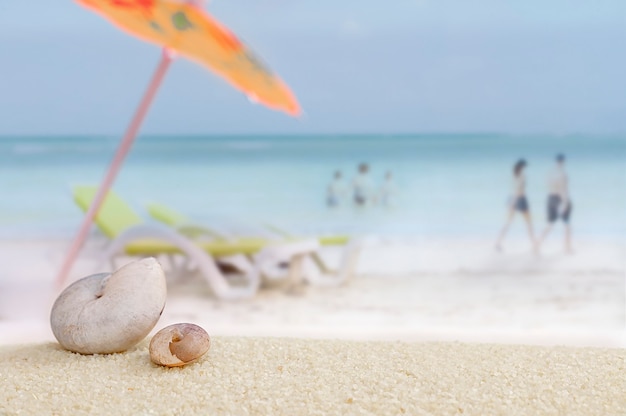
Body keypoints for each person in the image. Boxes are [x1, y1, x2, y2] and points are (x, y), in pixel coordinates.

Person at [495, 159, 536, 251]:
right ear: (522, 167)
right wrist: (514, 202)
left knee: (508, 223)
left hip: (512, 198)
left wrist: (511, 202)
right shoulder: (522, 176)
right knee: (529, 224)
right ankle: (534, 245)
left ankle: (498, 242)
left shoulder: (513, 175)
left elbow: (514, 189)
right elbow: (518, 190)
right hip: (520, 200)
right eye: (524, 166)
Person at [536, 154, 573, 253]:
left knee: (550, 224)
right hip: (559, 199)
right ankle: (567, 248)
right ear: (563, 162)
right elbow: (562, 189)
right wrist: (565, 202)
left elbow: (549, 186)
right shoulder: (563, 174)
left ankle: (537, 244)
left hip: (550, 198)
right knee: (567, 224)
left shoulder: (550, 173)